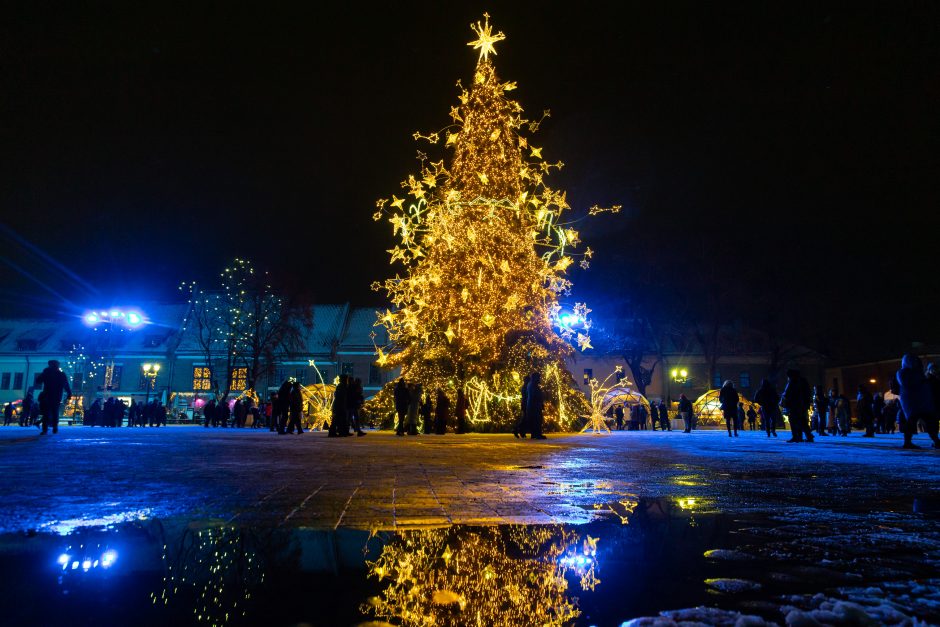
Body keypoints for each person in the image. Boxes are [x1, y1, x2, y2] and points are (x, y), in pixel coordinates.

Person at [896, 354, 940, 449]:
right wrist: (923, 381)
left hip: (924, 401)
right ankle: (907, 442)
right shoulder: (903, 372)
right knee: (911, 421)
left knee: (930, 421)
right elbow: (907, 384)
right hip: (912, 402)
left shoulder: (919, 372)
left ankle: (936, 440)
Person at [35, 359, 71, 435]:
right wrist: (69, 393)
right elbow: (66, 385)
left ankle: (45, 429)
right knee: (54, 412)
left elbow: (38, 381)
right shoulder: (61, 374)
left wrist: (44, 373)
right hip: (56, 395)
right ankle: (54, 427)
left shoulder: (47, 373)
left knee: (46, 412)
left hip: (47, 395)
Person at [781, 369, 813, 443]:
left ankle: (797, 436)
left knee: (794, 421)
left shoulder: (792, 382)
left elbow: (787, 394)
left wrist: (785, 400)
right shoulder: (803, 381)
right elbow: (808, 393)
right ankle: (807, 435)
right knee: (802, 420)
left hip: (794, 405)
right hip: (802, 405)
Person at [526, 371, 546, 439]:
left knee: (536, 420)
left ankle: (535, 434)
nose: (539, 379)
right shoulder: (533, 385)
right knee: (537, 420)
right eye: (538, 377)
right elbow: (534, 395)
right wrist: (539, 403)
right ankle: (537, 434)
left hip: (534, 405)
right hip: (534, 406)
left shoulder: (532, 384)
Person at [513, 374, 530, 438]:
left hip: (524, 403)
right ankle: (516, 430)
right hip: (526, 404)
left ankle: (521, 431)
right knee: (525, 418)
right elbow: (526, 396)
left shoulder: (525, 386)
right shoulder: (526, 387)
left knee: (525, 418)